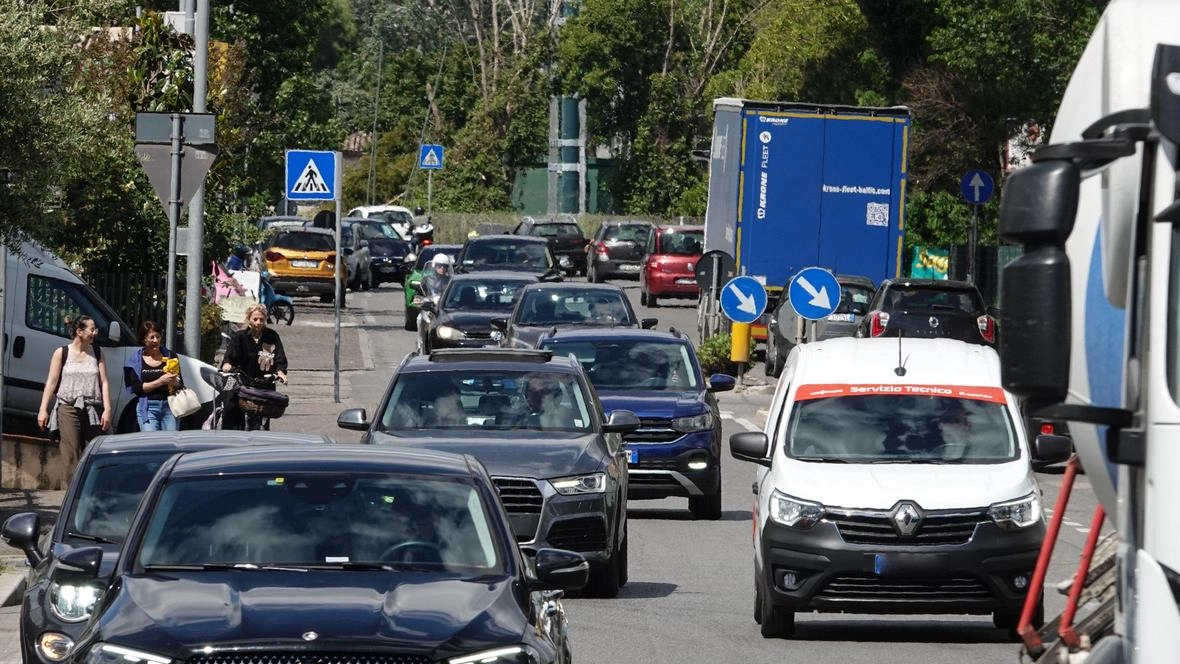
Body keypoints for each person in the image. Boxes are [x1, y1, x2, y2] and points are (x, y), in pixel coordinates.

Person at [37, 315, 112, 470]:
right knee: (70, 454)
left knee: (94, 453)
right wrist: (43, 409)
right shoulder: (62, 352)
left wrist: (107, 409)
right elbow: (51, 382)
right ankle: (71, 492)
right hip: (68, 408)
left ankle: (92, 491)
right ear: (79, 331)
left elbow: (104, 382)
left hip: (93, 408)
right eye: (92, 329)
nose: (95, 333)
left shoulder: (97, 352)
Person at [220, 303, 288, 429]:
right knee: (230, 402)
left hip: (264, 380)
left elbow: (280, 357)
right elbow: (229, 357)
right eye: (255, 319)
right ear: (249, 319)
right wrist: (227, 365)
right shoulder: (240, 337)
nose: (258, 323)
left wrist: (281, 372)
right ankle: (229, 433)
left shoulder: (272, 336)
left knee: (267, 407)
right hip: (239, 379)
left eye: (261, 319)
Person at [123, 321, 183, 431]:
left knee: (171, 444)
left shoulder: (170, 356)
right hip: (148, 408)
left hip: (170, 407)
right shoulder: (135, 360)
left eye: (158, 337)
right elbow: (137, 389)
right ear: (143, 339)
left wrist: (175, 382)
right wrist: (160, 381)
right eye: (152, 337)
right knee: (151, 443)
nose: (155, 340)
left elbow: (180, 383)